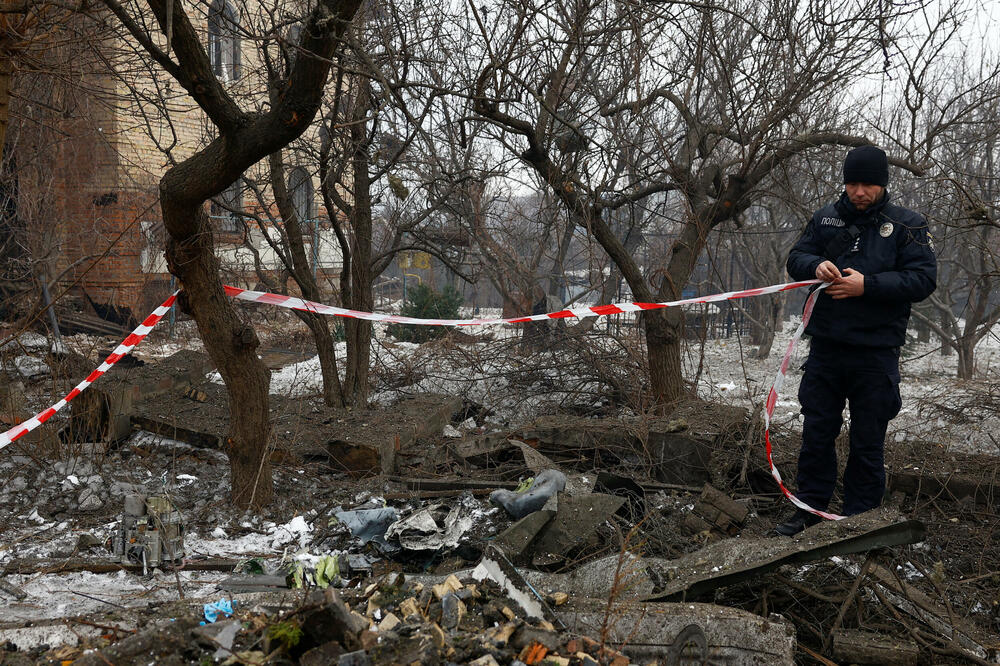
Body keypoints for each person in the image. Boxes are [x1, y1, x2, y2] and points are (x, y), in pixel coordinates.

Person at [776, 145, 937, 536]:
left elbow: (923, 279)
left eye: (867, 184)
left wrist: (868, 285)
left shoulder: (908, 225)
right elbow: (796, 257)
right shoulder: (825, 219)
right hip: (827, 349)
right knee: (817, 434)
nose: (859, 192)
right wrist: (815, 264)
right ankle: (809, 510)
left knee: (868, 441)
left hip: (876, 353)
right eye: (852, 183)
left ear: (882, 184)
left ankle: (859, 520)